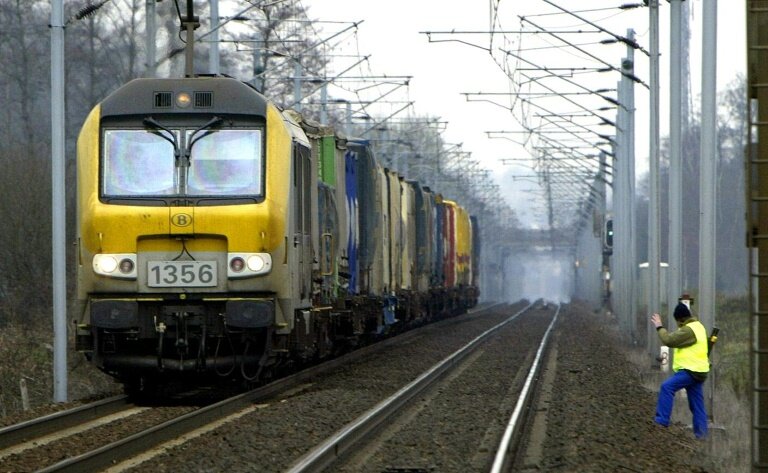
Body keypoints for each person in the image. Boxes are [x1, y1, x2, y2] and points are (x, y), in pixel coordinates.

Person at [650, 300, 710, 439]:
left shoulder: (689, 330)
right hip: (699, 371)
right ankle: (702, 436)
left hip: (690, 371)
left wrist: (659, 326)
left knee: (667, 387)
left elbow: (669, 340)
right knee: (697, 406)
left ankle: (661, 421)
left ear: (680, 319)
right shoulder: (698, 326)